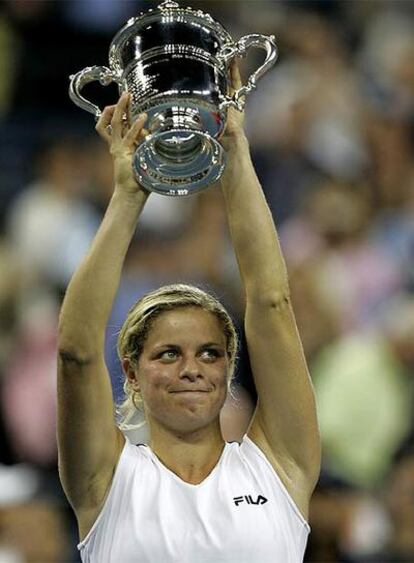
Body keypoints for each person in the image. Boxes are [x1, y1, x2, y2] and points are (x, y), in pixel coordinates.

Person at [57, 62, 321, 563]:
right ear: (131, 373)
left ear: (229, 368)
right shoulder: (106, 481)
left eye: (209, 353)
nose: (192, 369)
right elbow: (76, 350)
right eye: (168, 354)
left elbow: (271, 301)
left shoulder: (279, 467)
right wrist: (129, 193)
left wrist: (235, 151)